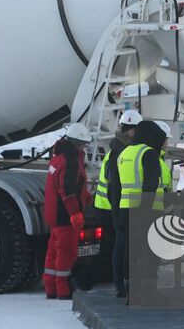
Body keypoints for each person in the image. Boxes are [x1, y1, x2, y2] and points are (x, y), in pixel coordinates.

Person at [117, 119, 171, 300]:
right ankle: (150, 293)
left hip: (125, 209)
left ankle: (131, 292)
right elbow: (150, 185)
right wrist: (146, 211)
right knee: (151, 253)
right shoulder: (148, 154)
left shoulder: (125, 153)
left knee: (131, 251)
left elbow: (117, 185)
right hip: (147, 211)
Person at [43, 123, 92, 300]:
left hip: (54, 214)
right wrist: (75, 213)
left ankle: (51, 288)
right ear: (78, 143)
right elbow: (67, 189)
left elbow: (61, 185)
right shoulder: (70, 161)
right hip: (64, 216)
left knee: (53, 252)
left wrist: (83, 194)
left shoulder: (57, 158)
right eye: (84, 143)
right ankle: (63, 290)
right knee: (66, 252)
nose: (85, 147)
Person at [96, 109, 143, 296]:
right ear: (127, 130)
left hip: (115, 206)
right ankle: (120, 286)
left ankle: (121, 284)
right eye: (135, 130)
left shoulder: (121, 149)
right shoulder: (119, 152)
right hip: (113, 208)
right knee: (120, 245)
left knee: (120, 245)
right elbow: (115, 188)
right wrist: (117, 215)